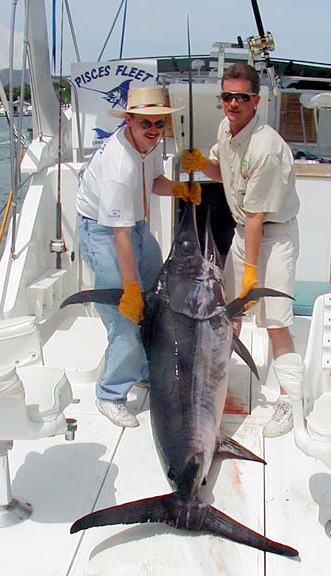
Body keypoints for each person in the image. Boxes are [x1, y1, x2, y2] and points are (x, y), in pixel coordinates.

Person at [181, 63, 305, 437]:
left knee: (276, 322)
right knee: (227, 316)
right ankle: (215, 384)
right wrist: (204, 164)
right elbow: (226, 173)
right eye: (227, 96)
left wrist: (251, 273)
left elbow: (256, 218)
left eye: (242, 97)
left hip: (273, 237)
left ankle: (289, 400)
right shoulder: (225, 128)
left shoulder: (266, 148)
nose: (233, 103)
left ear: (257, 100)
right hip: (243, 232)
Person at [77, 86, 200, 428]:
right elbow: (119, 237)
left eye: (160, 123)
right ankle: (110, 393)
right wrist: (130, 288)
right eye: (145, 122)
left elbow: (154, 181)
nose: (154, 130)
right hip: (105, 232)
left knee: (157, 301)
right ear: (128, 120)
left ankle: (144, 370)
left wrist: (176, 188)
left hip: (137, 225)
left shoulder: (150, 145)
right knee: (126, 319)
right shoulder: (119, 166)